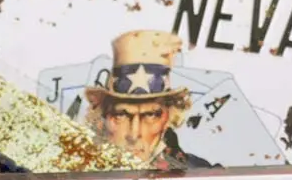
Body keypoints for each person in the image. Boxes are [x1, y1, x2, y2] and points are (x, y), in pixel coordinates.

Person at [85, 31, 213, 170]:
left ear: (168, 119)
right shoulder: (77, 171)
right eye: (121, 115)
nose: (134, 135)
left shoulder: (200, 174)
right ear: (101, 119)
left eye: (150, 115)